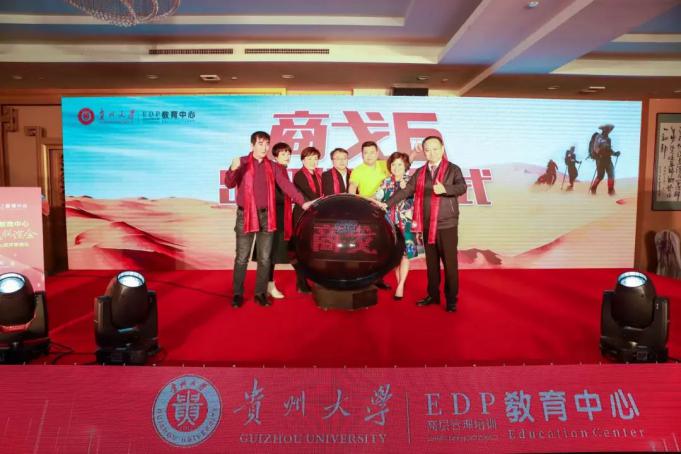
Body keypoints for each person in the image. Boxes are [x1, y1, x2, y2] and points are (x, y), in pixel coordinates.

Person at [224, 131, 312, 308]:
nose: (264, 148)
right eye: (260, 143)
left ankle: (260, 293)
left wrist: (302, 202)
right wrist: (232, 169)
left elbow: (286, 185)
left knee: (265, 258)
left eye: (266, 144)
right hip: (245, 215)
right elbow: (229, 183)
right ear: (252, 145)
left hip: (267, 216)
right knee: (242, 257)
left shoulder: (272, 166)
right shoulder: (242, 162)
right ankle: (237, 294)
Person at [380, 136, 467, 312]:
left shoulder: (453, 169)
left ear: (442, 149)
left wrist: (446, 189)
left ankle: (451, 300)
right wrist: (387, 204)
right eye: (427, 150)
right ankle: (433, 295)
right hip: (427, 224)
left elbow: (462, 187)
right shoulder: (420, 172)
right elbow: (406, 191)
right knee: (432, 264)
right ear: (424, 152)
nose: (431, 153)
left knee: (450, 265)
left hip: (447, 224)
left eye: (435, 149)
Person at [251, 142, 294, 299]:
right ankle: (266, 286)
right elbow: (273, 195)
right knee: (268, 254)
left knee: (272, 254)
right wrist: (291, 195)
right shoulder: (272, 170)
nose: (287, 156)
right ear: (275, 156)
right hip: (271, 218)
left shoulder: (283, 170)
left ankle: (268, 285)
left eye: (288, 153)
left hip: (280, 217)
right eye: (283, 154)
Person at [348, 141, 392, 290]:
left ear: (377, 153)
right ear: (362, 154)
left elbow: (401, 166)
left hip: (385, 210)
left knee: (382, 245)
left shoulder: (385, 165)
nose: (369, 155)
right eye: (365, 152)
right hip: (366, 210)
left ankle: (378, 278)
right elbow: (352, 188)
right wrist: (351, 202)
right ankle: (362, 277)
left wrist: (414, 154)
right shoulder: (357, 170)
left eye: (372, 152)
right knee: (365, 245)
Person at [375, 152, 418, 300]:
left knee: (405, 255)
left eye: (400, 164)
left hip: (406, 224)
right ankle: (401, 283)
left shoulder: (411, 181)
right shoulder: (386, 182)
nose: (396, 167)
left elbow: (415, 198)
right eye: (393, 164)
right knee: (395, 257)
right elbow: (378, 198)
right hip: (390, 225)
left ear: (405, 166)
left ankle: (400, 286)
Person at [292, 146, 323, 293]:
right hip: (302, 215)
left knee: (312, 249)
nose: (312, 161)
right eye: (309, 158)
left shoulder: (318, 175)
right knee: (302, 250)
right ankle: (301, 283)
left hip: (314, 214)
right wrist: (325, 199)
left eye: (315, 158)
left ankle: (309, 280)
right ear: (303, 160)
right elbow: (310, 194)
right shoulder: (299, 175)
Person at [589, 124, 621, 195]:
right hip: (600, 159)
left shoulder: (608, 139)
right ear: (604, 130)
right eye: (608, 129)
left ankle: (611, 190)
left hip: (607, 159)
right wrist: (600, 153)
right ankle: (593, 188)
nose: (609, 131)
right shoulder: (598, 137)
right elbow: (596, 148)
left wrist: (614, 153)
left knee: (611, 174)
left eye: (609, 129)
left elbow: (609, 150)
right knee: (600, 176)